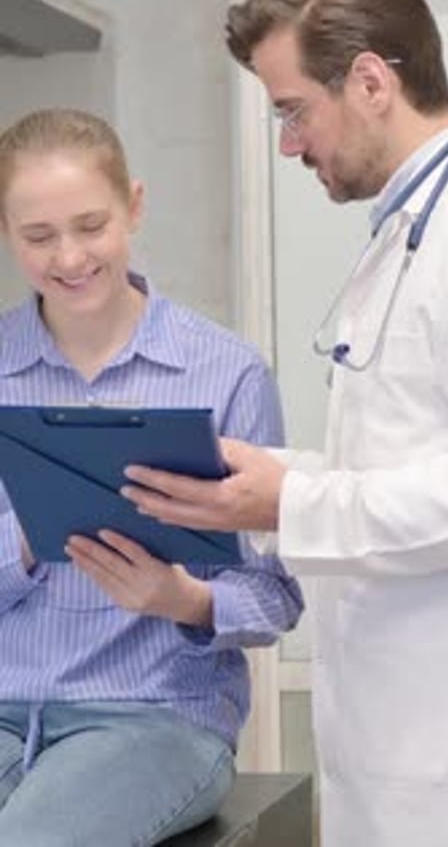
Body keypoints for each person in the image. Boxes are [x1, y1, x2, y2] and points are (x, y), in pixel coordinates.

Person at [112, 0, 448, 845]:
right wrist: (258, 474)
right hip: (392, 723)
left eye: (293, 111)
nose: (289, 144)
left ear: (370, 81)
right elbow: (403, 463)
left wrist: (288, 500)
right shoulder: (408, 233)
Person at [0, 106, 304, 847]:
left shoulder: (228, 373)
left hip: (156, 718)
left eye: (90, 225)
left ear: (134, 206)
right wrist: (31, 542)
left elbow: (278, 595)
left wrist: (187, 599)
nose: (69, 257)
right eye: (39, 237)